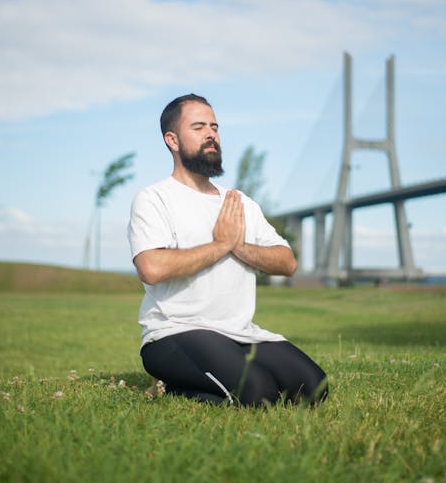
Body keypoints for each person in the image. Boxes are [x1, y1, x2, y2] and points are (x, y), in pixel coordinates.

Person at [128, 94, 328, 407]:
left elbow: (287, 262)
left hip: (240, 332)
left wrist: (237, 245)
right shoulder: (154, 198)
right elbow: (151, 268)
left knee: (313, 390)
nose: (211, 134)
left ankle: (197, 380)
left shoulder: (240, 203)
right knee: (259, 395)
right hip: (174, 332)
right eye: (198, 127)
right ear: (172, 140)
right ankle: (172, 384)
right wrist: (220, 245)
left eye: (215, 127)